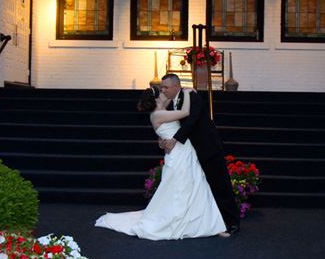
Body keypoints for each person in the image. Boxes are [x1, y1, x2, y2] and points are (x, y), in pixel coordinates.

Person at [94, 86, 227, 240]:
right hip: (178, 156)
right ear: (157, 99)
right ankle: (184, 222)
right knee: (181, 190)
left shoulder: (161, 112)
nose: (165, 93)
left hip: (184, 153)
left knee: (197, 187)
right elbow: (185, 112)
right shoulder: (159, 114)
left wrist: (185, 90)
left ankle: (210, 225)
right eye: (162, 92)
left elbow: (166, 128)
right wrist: (186, 93)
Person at [159, 73, 240, 237]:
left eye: (166, 87)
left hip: (208, 148)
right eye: (162, 87)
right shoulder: (170, 104)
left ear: (176, 86)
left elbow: (192, 121)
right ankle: (211, 222)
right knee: (203, 187)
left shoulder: (192, 97)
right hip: (190, 152)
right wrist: (163, 140)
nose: (163, 90)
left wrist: (174, 140)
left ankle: (231, 223)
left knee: (219, 184)